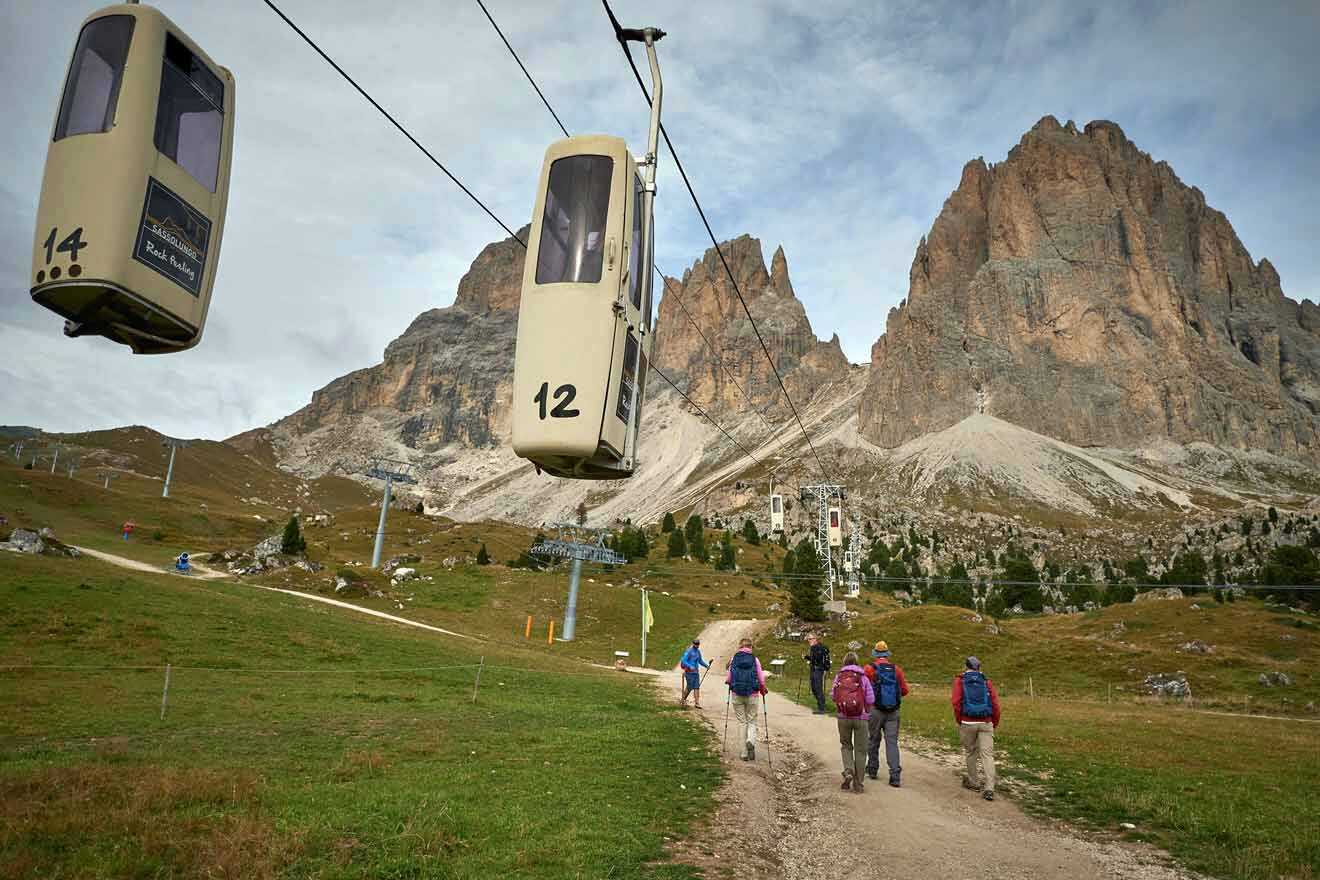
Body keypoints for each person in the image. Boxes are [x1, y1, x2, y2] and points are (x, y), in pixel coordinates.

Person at [951, 656, 1001, 801]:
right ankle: (990, 787)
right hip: (986, 722)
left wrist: (960, 720)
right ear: (979, 667)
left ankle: (974, 782)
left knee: (971, 752)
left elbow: (955, 702)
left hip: (967, 722)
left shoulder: (960, 680)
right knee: (987, 755)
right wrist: (994, 722)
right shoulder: (986, 681)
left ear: (965, 666)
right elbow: (995, 704)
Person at [864, 640, 910, 786]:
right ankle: (895, 775)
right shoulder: (897, 670)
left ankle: (872, 769)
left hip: (875, 710)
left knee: (873, 740)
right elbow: (904, 690)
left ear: (875, 654)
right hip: (893, 711)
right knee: (892, 743)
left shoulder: (869, 669)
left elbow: (864, 689)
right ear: (887, 654)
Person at [831, 651, 874, 792]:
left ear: (844, 662)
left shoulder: (839, 676)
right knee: (861, 751)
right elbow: (870, 699)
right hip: (861, 718)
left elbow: (833, 696)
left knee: (846, 745)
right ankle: (858, 784)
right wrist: (866, 710)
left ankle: (848, 770)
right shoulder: (863, 677)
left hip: (843, 717)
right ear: (857, 662)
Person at [726, 637, 768, 761]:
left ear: (740, 646)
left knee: (742, 722)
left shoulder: (734, 659)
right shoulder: (755, 659)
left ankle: (744, 753)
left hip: (737, 694)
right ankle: (750, 740)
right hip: (752, 694)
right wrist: (763, 689)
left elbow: (729, 677)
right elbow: (761, 678)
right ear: (751, 647)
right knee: (752, 720)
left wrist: (730, 684)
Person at [679, 638, 712, 708]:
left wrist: (706, 666)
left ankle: (697, 703)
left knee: (697, 687)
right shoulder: (689, 651)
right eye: (696, 644)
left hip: (696, 672)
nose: (697, 645)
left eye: (698, 644)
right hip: (689, 672)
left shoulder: (698, 652)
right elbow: (683, 660)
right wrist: (690, 666)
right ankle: (683, 699)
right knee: (689, 687)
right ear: (693, 644)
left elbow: (700, 661)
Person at [803, 633, 832, 714]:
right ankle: (821, 705)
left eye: (810, 639)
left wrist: (825, 669)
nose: (809, 641)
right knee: (813, 688)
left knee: (817, 688)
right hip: (813, 670)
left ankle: (821, 708)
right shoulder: (813, 648)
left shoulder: (820, 647)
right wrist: (807, 657)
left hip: (819, 670)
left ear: (815, 639)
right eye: (808, 639)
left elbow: (819, 658)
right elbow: (814, 659)